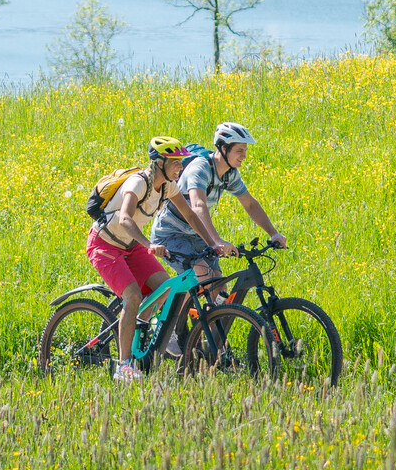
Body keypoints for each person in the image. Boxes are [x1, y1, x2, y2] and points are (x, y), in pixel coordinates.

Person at [88, 135, 233, 382]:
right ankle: (123, 366)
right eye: (176, 162)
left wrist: (213, 242)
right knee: (133, 296)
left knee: (166, 288)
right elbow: (124, 218)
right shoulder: (138, 183)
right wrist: (149, 245)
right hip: (105, 245)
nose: (180, 167)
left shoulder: (168, 186)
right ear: (159, 163)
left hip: (131, 245)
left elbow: (189, 213)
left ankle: (138, 330)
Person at [149, 121, 287, 354]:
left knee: (218, 285)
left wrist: (273, 232)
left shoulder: (230, 174)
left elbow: (250, 204)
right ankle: (171, 327)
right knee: (201, 275)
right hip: (170, 233)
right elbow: (198, 204)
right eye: (239, 150)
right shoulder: (200, 168)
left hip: (196, 233)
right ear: (223, 148)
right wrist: (215, 241)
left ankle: (206, 342)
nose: (244, 156)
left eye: (245, 150)